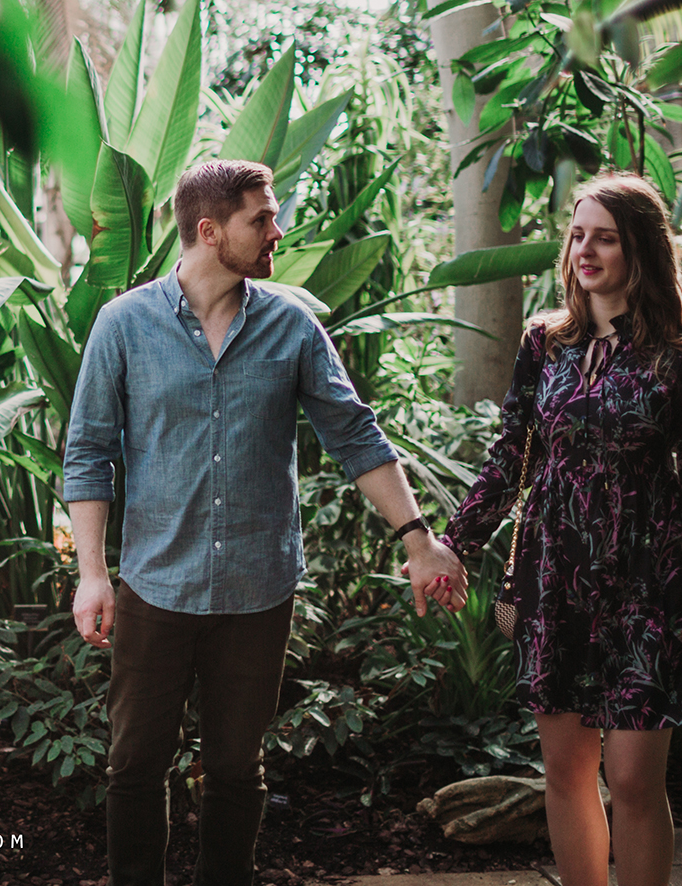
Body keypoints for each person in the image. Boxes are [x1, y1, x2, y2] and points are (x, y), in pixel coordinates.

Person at [63, 159, 465, 886]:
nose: (277, 230)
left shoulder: (292, 326)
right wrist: (93, 572)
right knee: (133, 766)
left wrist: (419, 537)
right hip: (156, 585)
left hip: (257, 589)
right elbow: (89, 452)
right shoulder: (122, 324)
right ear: (211, 231)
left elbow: (356, 436)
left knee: (235, 771)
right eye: (261, 218)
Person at [441, 173, 682, 886]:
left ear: (640, 246)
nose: (585, 249)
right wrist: (456, 542)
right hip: (557, 576)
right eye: (578, 234)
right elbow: (511, 451)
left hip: (649, 583)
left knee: (634, 780)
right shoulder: (546, 341)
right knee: (568, 772)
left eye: (604, 236)